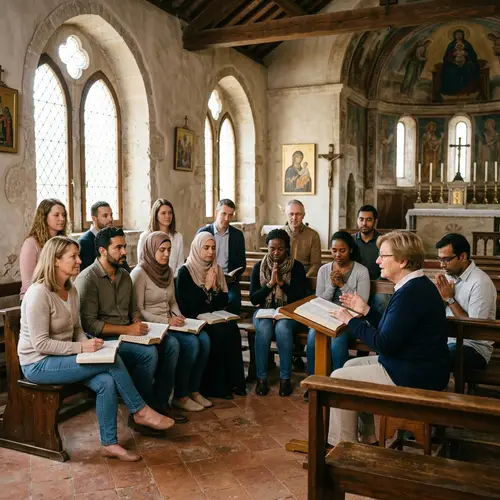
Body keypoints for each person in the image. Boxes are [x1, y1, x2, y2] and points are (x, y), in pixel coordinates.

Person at [18, 237, 174, 462]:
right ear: (55, 261)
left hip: (66, 356)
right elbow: (40, 344)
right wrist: (82, 347)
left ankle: (109, 444)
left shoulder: (70, 290)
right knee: (110, 362)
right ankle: (140, 410)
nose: (79, 261)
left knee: (106, 382)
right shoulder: (38, 293)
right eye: (73, 257)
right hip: (39, 363)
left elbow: (77, 328)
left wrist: (88, 346)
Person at [328, 231, 449, 447]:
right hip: (412, 364)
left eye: (383, 256)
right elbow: (393, 329)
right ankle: (368, 438)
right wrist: (366, 310)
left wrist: (350, 320)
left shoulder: (410, 294)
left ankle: (343, 448)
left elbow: (384, 343)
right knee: (350, 364)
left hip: (414, 374)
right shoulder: (415, 286)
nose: (377, 261)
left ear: (402, 261)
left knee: (339, 377)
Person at [75, 227, 181, 427]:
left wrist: (135, 320)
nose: (124, 251)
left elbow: (133, 309)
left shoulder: (124, 275)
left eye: (124, 246)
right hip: (104, 339)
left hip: (128, 333)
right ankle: (139, 412)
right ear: (102, 251)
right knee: (148, 354)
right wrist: (127, 330)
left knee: (172, 344)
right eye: (119, 247)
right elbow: (90, 325)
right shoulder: (88, 279)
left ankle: (159, 403)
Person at [132, 231, 211, 413]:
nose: (167, 254)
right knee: (186, 344)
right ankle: (176, 396)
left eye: (169, 249)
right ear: (151, 250)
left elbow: (172, 301)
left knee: (204, 339)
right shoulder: (139, 274)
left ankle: (193, 389)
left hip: (169, 321)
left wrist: (179, 316)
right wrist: (167, 320)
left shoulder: (167, 271)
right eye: (162, 250)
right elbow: (138, 311)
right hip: (152, 326)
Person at [176, 232, 246, 399]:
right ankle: (216, 387)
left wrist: (214, 289)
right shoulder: (185, 272)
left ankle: (234, 383)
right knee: (219, 333)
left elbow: (222, 302)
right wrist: (206, 288)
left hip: (213, 316)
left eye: (213, 248)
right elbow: (188, 307)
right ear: (197, 248)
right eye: (206, 248)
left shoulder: (216, 268)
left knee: (232, 329)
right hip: (193, 318)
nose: (210, 252)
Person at [306, 231, 370, 382]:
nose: (338, 255)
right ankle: (314, 380)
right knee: (312, 337)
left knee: (337, 339)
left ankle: (339, 381)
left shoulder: (361, 271)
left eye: (342, 250)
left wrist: (342, 285)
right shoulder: (324, 270)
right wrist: (332, 286)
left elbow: (360, 306)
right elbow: (319, 300)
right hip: (326, 315)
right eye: (334, 251)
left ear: (351, 250)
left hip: (350, 319)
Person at [250, 229, 307, 397]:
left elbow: (300, 298)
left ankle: (285, 379)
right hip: (264, 311)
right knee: (265, 328)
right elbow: (254, 299)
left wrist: (281, 283)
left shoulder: (296, 267)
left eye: (280, 249)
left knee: (282, 328)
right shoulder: (258, 267)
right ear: (267, 248)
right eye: (271, 249)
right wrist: (269, 285)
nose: (275, 252)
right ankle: (261, 379)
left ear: (287, 248)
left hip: (289, 312)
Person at [435, 233, 497, 373]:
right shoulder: (449, 275)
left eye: (446, 260)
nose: (441, 265)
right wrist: (436, 297)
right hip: (450, 339)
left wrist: (450, 300)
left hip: (473, 348)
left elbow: (473, 330)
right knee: (414, 349)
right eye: (440, 259)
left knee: (435, 358)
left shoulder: (480, 283)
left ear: (462, 257)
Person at [197, 199, 246, 315]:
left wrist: (233, 276)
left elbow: (242, 263)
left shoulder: (237, 235)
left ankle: (227, 328)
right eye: (223, 214)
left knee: (234, 302)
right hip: (206, 278)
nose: (226, 219)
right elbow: (197, 259)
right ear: (216, 213)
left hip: (228, 281)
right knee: (208, 303)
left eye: (230, 215)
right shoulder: (203, 233)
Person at [20, 199, 69, 301]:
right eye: (56, 215)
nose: (62, 218)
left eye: (63, 215)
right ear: (44, 217)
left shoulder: (65, 243)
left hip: (58, 295)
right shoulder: (31, 243)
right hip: (34, 298)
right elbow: (28, 282)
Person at [353, 205, 390, 313]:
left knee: (383, 300)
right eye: (361, 219)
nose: (364, 223)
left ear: (375, 221)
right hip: (355, 283)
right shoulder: (350, 241)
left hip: (378, 282)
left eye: (368, 220)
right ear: (357, 220)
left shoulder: (383, 241)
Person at [78, 201, 132, 272]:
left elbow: (124, 267)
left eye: (111, 215)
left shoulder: (114, 237)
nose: (110, 219)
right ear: (94, 219)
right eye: (105, 216)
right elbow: (88, 273)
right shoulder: (84, 242)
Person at [137, 199, 184, 277]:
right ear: (156, 215)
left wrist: (170, 279)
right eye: (163, 213)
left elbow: (180, 264)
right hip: (151, 281)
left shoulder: (177, 237)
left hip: (173, 280)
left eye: (170, 213)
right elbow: (141, 263)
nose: (168, 216)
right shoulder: (145, 237)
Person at [284, 200, 321, 278]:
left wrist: (304, 279)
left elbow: (316, 264)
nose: (294, 218)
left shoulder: (313, 235)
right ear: (286, 215)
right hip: (283, 278)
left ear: (303, 215)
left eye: (298, 214)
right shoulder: (279, 234)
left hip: (305, 277)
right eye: (291, 214)